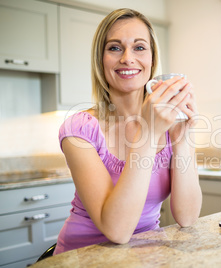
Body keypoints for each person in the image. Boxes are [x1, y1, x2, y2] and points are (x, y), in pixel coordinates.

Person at [54, 8, 202, 255]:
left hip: (141, 256)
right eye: (114, 48)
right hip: (81, 257)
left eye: (139, 47)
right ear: (100, 60)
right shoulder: (79, 130)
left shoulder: (167, 124)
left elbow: (187, 217)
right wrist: (147, 133)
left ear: (152, 59)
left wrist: (182, 137)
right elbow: (117, 231)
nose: (127, 58)